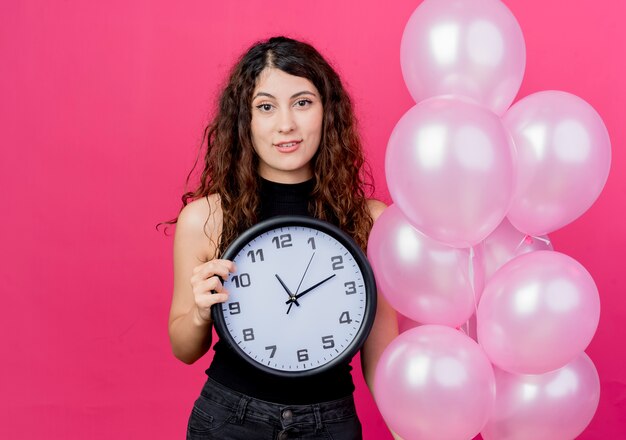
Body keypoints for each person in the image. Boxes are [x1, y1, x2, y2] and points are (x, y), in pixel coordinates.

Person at [165, 36, 398, 440]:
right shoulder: (204, 218)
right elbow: (184, 349)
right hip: (229, 420)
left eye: (303, 102)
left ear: (328, 112)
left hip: (330, 423)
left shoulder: (370, 221)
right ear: (245, 120)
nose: (285, 124)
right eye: (266, 106)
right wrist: (201, 313)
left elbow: (381, 357)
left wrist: (405, 428)